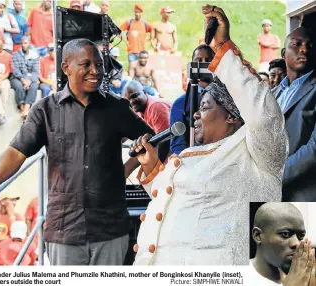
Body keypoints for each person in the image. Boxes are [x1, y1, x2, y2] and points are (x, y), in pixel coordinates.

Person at [0, 38, 153, 266]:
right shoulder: (45, 110)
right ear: (66, 67)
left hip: (111, 230)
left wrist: (126, 169)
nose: (95, 71)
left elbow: (153, 140)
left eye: (99, 65)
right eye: (86, 64)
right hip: (65, 231)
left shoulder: (117, 107)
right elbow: (16, 152)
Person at [130, 4, 288, 265]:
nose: (194, 115)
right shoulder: (193, 153)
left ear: (232, 116)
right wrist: (152, 170)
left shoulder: (255, 153)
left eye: (204, 107)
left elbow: (263, 114)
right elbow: (179, 201)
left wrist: (223, 47)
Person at [272, 27, 316, 202]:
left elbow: (314, 149)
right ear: (284, 53)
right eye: (297, 44)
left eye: (310, 45)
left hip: (305, 195)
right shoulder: (273, 94)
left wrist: (274, 176)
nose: (304, 49)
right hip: (272, 196)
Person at [251, 202, 315, 286]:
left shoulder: (305, 279)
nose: (297, 243)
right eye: (285, 234)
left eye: (300, 236)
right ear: (258, 235)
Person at [170, 44, 215, 155]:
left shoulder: (227, 97)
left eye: (209, 60)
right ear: (191, 66)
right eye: (198, 61)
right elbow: (178, 143)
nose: (204, 65)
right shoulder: (180, 103)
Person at [123, 80, 171, 162]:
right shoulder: (139, 110)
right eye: (128, 100)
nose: (132, 101)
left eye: (135, 96)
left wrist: (156, 169)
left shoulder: (155, 107)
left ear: (145, 92)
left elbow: (165, 142)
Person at [10, 36, 39, 119]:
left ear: (29, 44)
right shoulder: (15, 55)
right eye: (22, 43)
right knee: (19, 86)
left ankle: (27, 108)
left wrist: (29, 81)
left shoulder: (34, 56)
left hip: (30, 79)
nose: (23, 45)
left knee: (34, 86)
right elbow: (15, 70)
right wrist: (23, 80)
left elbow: (36, 72)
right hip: (17, 78)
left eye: (25, 43)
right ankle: (22, 109)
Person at [119, 4, 152, 73]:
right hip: (131, 51)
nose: (137, 14)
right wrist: (125, 41)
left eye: (139, 12)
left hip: (141, 52)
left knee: (141, 71)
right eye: (136, 12)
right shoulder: (129, 22)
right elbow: (117, 31)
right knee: (131, 69)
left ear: (141, 13)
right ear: (134, 12)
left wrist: (149, 39)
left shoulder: (145, 23)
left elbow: (153, 31)